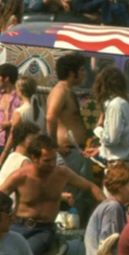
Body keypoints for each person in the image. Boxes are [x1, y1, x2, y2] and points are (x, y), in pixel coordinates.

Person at [0, 135, 105, 255]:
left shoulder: (62, 173)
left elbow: (90, 187)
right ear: (34, 158)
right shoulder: (20, 176)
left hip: (44, 230)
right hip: (18, 227)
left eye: (54, 159)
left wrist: (108, 205)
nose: (52, 164)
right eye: (47, 161)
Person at [46, 54, 93, 211]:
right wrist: (54, 147)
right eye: (81, 70)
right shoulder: (60, 91)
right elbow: (50, 117)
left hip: (75, 152)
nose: (84, 73)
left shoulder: (68, 91)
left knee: (72, 196)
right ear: (71, 73)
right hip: (66, 152)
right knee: (64, 195)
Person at [89, 67, 129, 164]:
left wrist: (98, 128)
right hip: (126, 161)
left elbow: (111, 139)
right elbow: (124, 139)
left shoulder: (115, 105)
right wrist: (101, 150)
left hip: (117, 164)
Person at [0, 76, 44, 168]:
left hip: (23, 152)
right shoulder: (40, 110)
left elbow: (12, 136)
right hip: (36, 152)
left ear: (19, 90)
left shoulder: (19, 112)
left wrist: (1, 158)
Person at [0, 121, 39, 191]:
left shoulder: (11, 156)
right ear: (21, 139)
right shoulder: (25, 162)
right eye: (32, 140)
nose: (36, 143)